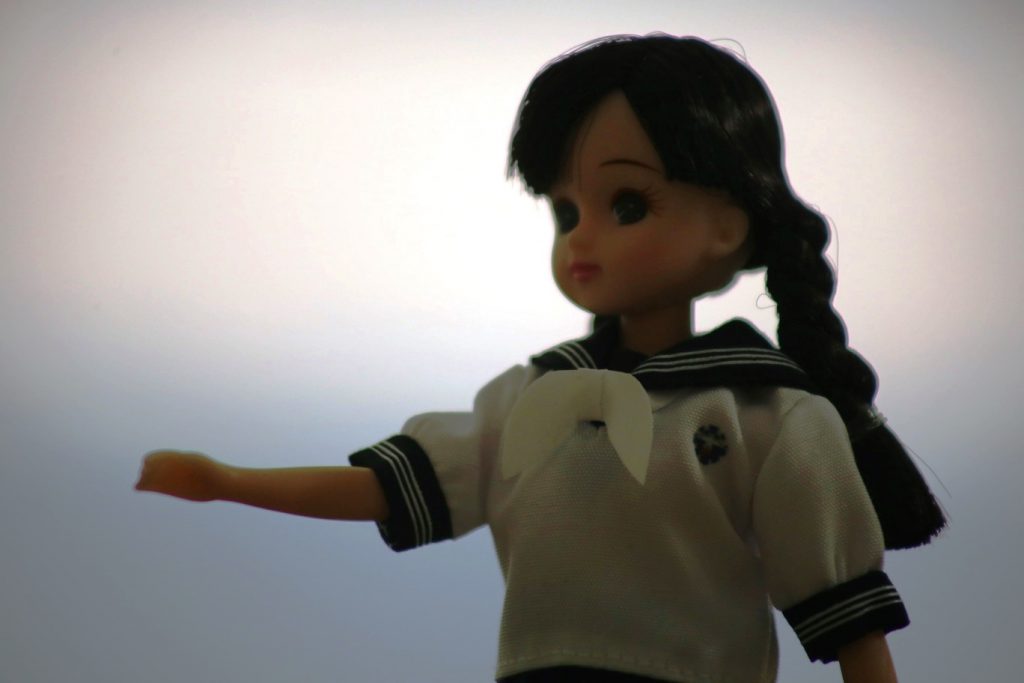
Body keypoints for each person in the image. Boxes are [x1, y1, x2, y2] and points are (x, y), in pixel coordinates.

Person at [136, 34, 944, 683]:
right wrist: (228, 481)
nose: (581, 237)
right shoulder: (528, 399)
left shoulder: (767, 416)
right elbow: (386, 486)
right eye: (565, 211)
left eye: (626, 205)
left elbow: (845, 610)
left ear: (727, 226)